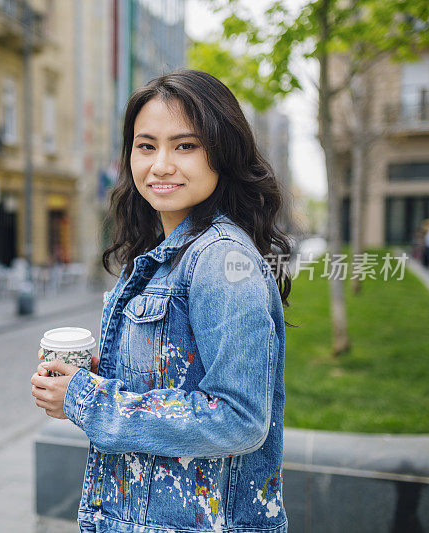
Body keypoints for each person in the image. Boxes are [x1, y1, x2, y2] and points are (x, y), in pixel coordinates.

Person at [31, 69, 292, 533]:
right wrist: (91, 378)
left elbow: (241, 418)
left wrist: (90, 400)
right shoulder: (168, 254)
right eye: (146, 145)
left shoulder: (219, 259)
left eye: (185, 146)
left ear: (223, 152)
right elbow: (177, 378)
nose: (161, 165)